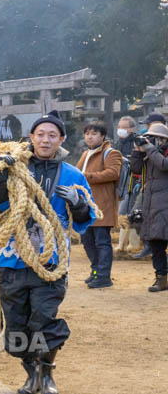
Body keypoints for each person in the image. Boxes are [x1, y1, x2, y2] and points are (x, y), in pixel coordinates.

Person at [0, 111, 95, 394]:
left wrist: (79, 204)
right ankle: (30, 371)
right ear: (31, 138)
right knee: (16, 326)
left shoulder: (73, 174)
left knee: (43, 320)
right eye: (40, 134)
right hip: (13, 258)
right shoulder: (16, 166)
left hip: (51, 261)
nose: (46, 139)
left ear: (61, 140)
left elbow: (87, 218)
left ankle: (46, 371)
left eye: (52, 135)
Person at [75, 123, 122, 289]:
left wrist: (86, 176)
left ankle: (103, 276)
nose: (89, 136)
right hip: (86, 206)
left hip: (103, 205)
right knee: (87, 241)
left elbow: (113, 173)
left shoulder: (111, 153)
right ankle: (95, 271)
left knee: (102, 242)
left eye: (94, 133)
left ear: (102, 136)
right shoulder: (86, 153)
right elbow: (76, 174)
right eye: (87, 133)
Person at [130, 122, 168, 292]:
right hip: (151, 205)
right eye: (148, 137)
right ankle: (161, 279)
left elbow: (164, 165)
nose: (151, 140)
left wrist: (150, 148)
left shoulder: (160, 153)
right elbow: (136, 169)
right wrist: (138, 151)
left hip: (165, 205)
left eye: (155, 138)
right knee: (155, 244)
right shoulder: (150, 153)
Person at [115, 116, 142, 256]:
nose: (121, 130)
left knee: (134, 212)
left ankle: (134, 244)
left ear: (131, 128)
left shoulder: (138, 141)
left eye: (124, 127)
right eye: (119, 127)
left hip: (136, 181)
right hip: (122, 183)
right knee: (122, 212)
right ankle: (121, 245)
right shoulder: (117, 143)